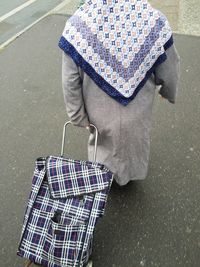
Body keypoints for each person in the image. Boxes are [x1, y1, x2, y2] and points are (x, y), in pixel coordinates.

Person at [58, 0, 180, 186]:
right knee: (135, 139)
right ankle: (130, 174)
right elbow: (170, 66)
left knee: (102, 142)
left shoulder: (78, 25)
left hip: (98, 109)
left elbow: (70, 80)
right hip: (138, 108)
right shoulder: (154, 21)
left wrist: (78, 116)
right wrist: (167, 90)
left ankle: (102, 177)